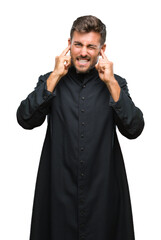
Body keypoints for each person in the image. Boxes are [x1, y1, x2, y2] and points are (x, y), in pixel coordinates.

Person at [17, 15, 144, 240]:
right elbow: (25, 119)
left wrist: (111, 83)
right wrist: (55, 76)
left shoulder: (116, 83)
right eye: (78, 44)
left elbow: (134, 129)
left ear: (102, 49)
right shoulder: (50, 79)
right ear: (69, 45)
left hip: (103, 194)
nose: (83, 52)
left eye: (90, 46)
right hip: (58, 192)